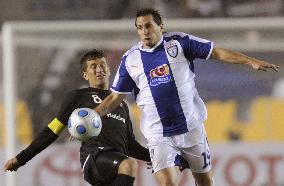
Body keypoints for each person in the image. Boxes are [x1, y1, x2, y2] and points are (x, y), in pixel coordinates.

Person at [93, 8, 280, 186]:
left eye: (148, 26)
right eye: (140, 28)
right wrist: (93, 116)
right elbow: (115, 97)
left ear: (161, 27)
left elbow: (216, 52)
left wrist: (250, 61)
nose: (144, 31)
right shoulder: (130, 59)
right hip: (158, 134)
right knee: (168, 182)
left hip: (191, 128)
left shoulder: (179, 42)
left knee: (205, 182)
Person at [3, 49, 151, 186]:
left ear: (109, 69)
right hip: (95, 158)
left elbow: (130, 145)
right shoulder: (78, 97)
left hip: (116, 164)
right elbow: (52, 130)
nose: (99, 69)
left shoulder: (122, 104)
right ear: (85, 74)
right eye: (93, 66)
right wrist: (21, 159)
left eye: (102, 65)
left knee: (127, 164)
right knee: (129, 164)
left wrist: (157, 157)